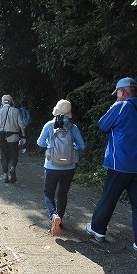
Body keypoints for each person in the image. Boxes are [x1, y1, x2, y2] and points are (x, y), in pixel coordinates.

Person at [86, 77, 137, 258]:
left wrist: (114, 107)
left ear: (122, 92)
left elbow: (102, 125)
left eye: (117, 93)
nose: (117, 96)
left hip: (120, 165)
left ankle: (98, 229)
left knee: (109, 198)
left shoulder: (121, 106)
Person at [37, 99, 85, 236]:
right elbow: (82, 146)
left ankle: (53, 215)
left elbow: (40, 143)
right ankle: (60, 219)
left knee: (48, 193)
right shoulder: (73, 127)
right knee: (62, 194)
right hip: (69, 167)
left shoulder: (49, 125)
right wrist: (72, 147)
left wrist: (49, 144)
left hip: (51, 165)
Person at [0, 94, 26, 183]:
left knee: (4, 157)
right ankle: (12, 168)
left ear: (2, 102)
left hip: (3, 138)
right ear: (11, 101)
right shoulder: (16, 111)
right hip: (14, 138)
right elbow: (21, 125)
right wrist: (23, 137)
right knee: (14, 156)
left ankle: (5, 176)